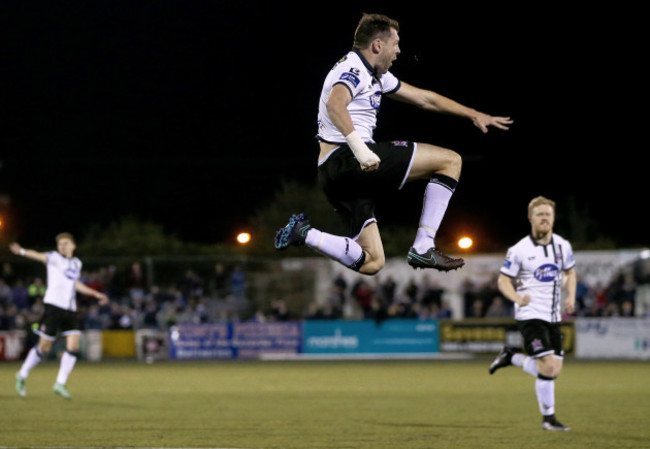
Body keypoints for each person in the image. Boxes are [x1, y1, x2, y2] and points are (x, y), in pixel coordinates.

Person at [274, 13, 512, 275]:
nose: (399, 51)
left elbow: (425, 99)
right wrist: (362, 151)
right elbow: (334, 104)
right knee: (450, 161)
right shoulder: (353, 69)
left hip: (332, 173)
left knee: (372, 262)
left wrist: (473, 113)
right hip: (349, 159)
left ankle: (304, 234)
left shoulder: (374, 74)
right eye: (395, 43)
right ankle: (423, 246)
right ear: (378, 45)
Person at [488, 196, 576, 431]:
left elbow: (570, 272)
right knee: (547, 367)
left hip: (554, 316)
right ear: (531, 218)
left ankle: (511, 357)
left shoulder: (563, 246)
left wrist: (571, 296)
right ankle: (549, 419)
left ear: (553, 218)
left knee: (553, 370)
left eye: (548, 214)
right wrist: (517, 298)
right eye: (540, 214)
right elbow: (503, 280)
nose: (545, 218)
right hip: (530, 315)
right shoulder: (518, 250)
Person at [10, 233, 109, 399]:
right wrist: (21, 251)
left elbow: (76, 284)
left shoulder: (77, 263)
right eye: (60, 244)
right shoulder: (54, 258)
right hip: (53, 308)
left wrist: (95, 293)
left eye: (65, 243)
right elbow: (38, 255)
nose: (62, 246)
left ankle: (60, 383)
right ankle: (22, 374)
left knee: (73, 346)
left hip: (70, 309)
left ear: (73, 245)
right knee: (44, 347)